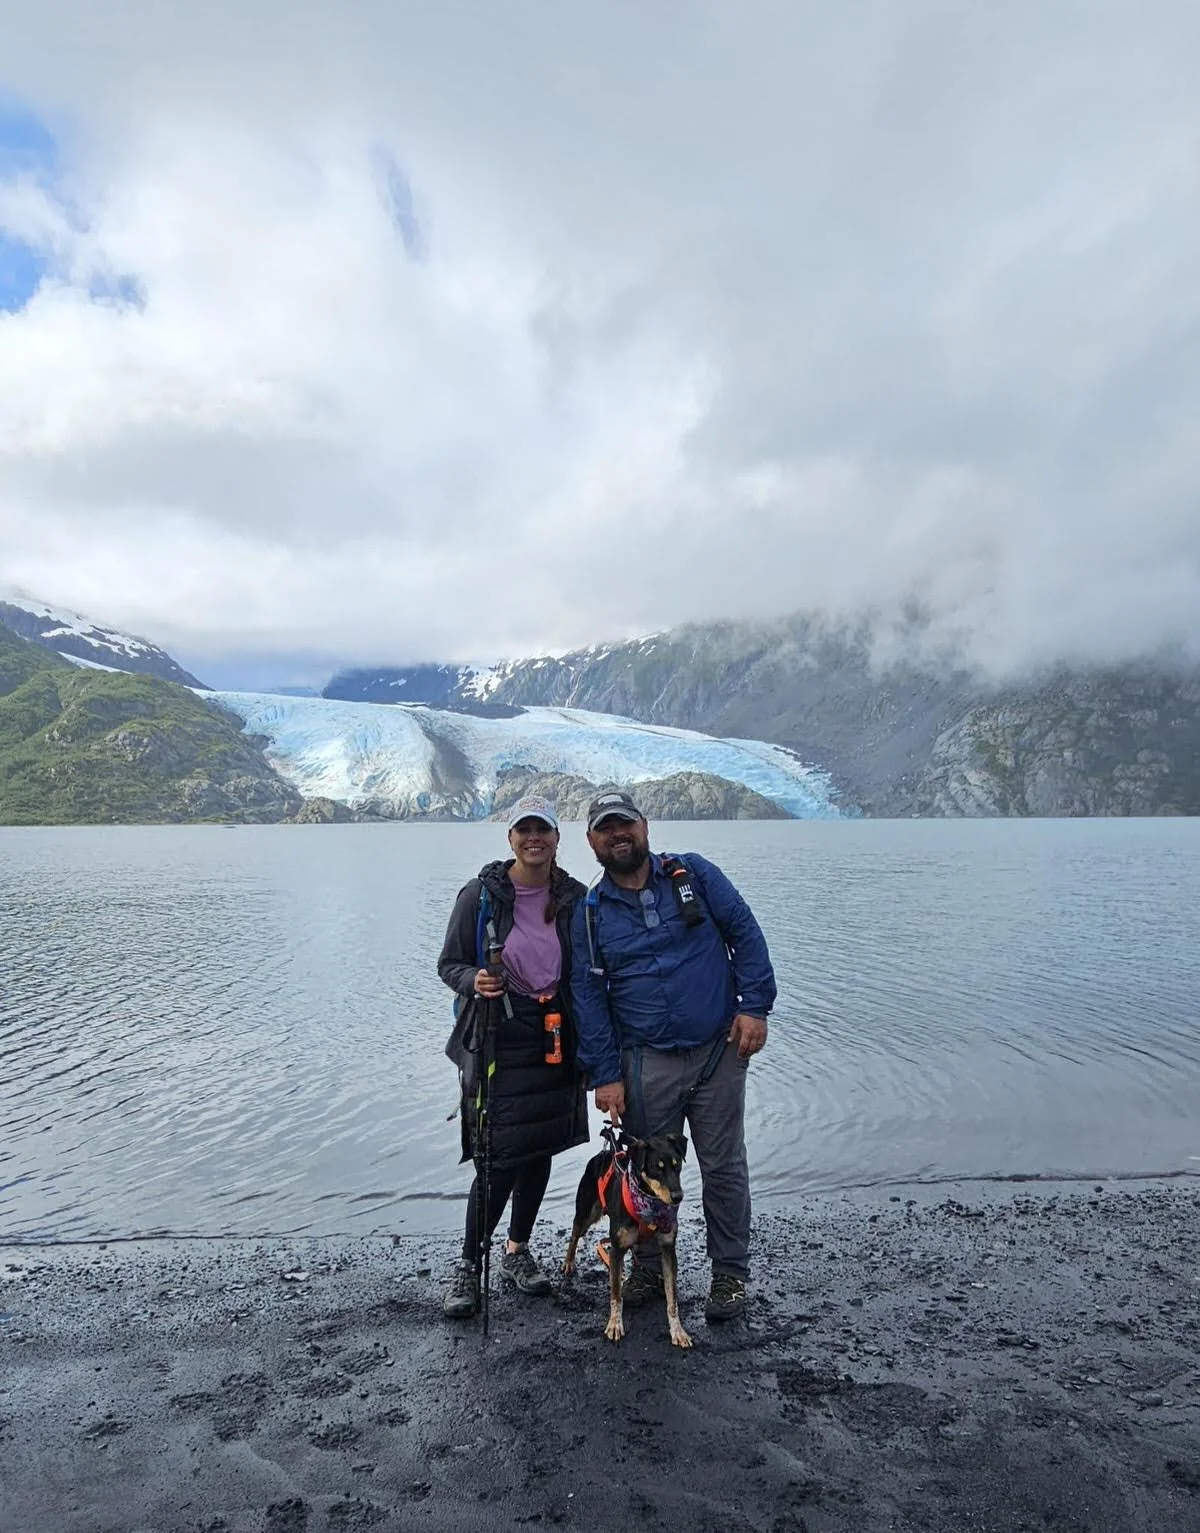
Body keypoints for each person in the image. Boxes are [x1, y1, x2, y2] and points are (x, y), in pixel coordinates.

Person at [569, 790, 776, 1323]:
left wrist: (754, 1006)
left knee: (724, 1165)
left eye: (626, 824)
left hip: (717, 1053)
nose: (618, 835)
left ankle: (729, 1274)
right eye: (605, 828)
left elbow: (745, 935)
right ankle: (642, 1268)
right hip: (645, 1062)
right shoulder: (590, 914)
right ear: (591, 841)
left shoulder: (696, 876)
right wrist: (605, 1075)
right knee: (641, 1173)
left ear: (645, 826)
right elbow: (588, 998)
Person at [437, 794, 589, 1318]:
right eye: (524, 829)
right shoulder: (480, 895)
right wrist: (471, 979)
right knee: (497, 1155)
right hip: (498, 1035)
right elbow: (449, 963)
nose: (534, 838)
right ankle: (468, 1263)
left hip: (554, 1035)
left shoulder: (573, 897)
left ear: (555, 838)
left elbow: (590, 971)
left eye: (542, 830)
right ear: (510, 838)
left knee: (540, 1149)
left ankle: (517, 1251)